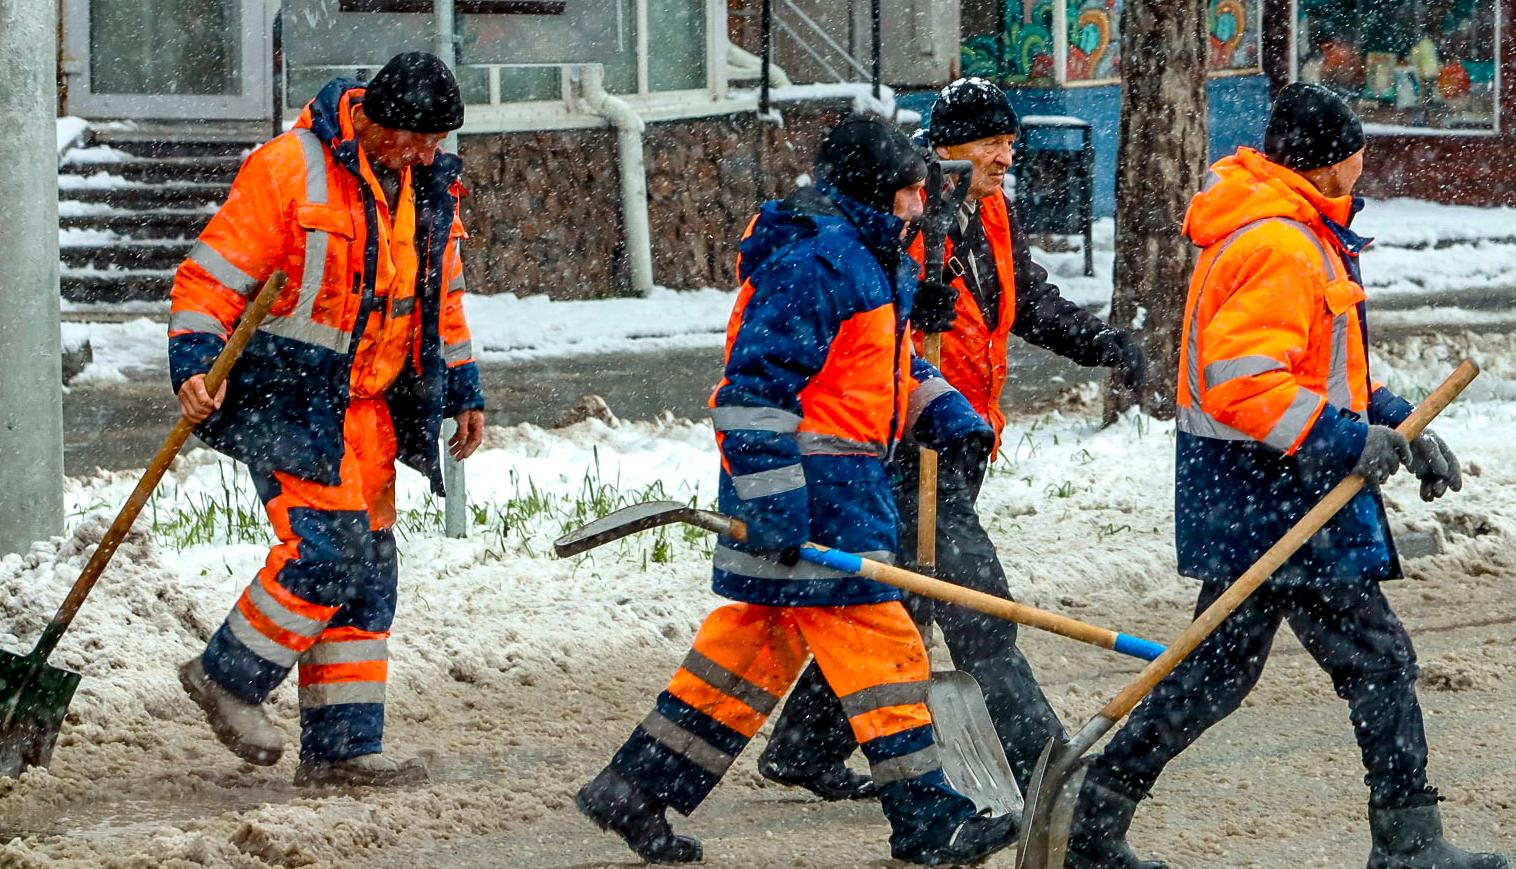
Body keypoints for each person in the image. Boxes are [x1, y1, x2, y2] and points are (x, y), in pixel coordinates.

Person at [1063, 83, 1499, 869]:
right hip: (1275, 494)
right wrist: (1341, 440)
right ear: (1331, 163)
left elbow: (1323, 374)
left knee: (1213, 674)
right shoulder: (1278, 244)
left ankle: (1094, 822)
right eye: (1357, 150)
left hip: (1260, 492)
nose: (1364, 163)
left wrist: (1400, 425)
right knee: (1375, 660)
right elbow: (1243, 382)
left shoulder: (1297, 231)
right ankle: (1408, 842)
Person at [571, 114, 1016, 867]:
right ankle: (927, 819)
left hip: (833, 494)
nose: (919, 206)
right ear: (880, 192)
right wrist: (775, 500)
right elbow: (750, 394)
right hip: (809, 499)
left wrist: (944, 412)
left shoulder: (871, 258)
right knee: (884, 650)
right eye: (910, 192)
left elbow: (880, 374)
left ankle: (635, 787)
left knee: (747, 655)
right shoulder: (816, 263)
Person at [752, 77, 1145, 799]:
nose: (1007, 154)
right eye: (992, 142)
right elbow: (862, 321)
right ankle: (1045, 764)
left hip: (961, 438)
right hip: (904, 438)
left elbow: (1024, 300)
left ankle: (805, 744)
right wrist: (910, 297)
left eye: (1009, 140)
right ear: (947, 149)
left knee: (908, 594)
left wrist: (1100, 342)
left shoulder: (992, 211)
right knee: (973, 600)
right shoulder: (906, 209)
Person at [169, 52, 484, 789]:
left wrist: (462, 389)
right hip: (286, 398)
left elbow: (441, 300)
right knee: (326, 553)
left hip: (366, 410)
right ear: (373, 119)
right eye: (416, 139)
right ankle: (228, 677)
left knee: (369, 572)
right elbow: (209, 277)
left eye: (437, 141)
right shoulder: (286, 169)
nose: (427, 154)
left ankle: (342, 748)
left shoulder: (429, 187)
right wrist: (193, 361)